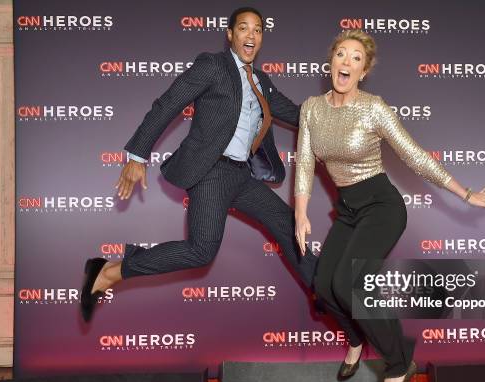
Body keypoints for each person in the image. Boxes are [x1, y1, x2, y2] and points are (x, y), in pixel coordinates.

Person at [294, 30, 485, 382]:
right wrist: (300, 214)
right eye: (341, 54)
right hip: (348, 209)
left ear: (364, 70)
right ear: (331, 62)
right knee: (324, 286)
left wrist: (466, 193)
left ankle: (397, 362)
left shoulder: (374, 108)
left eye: (355, 58)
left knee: (349, 284)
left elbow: (415, 156)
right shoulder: (312, 108)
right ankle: (357, 340)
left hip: (382, 206)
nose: (345, 62)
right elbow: (306, 164)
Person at [80, 7, 317, 322]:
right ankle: (109, 272)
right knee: (201, 251)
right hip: (212, 172)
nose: (251, 35)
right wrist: (138, 155)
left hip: (241, 176)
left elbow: (299, 115)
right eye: (244, 28)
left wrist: (340, 116)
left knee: (289, 226)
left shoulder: (261, 81)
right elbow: (168, 104)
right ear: (230, 34)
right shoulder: (213, 66)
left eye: (258, 30)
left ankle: (323, 290)